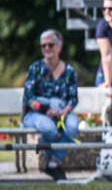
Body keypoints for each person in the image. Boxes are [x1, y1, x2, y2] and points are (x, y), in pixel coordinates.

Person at [22, 29, 79, 181]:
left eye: (50, 45)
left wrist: (64, 112)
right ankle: (49, 160)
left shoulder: (69, 71)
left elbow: (73, 98)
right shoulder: (35, 68)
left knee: (73, 126)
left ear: (59, 47)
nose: (47, 48)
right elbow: (29, 97)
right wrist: (46, 109)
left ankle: (53, 163)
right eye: (43, 46)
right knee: (49, 128)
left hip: (61, 111)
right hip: (37, 112)